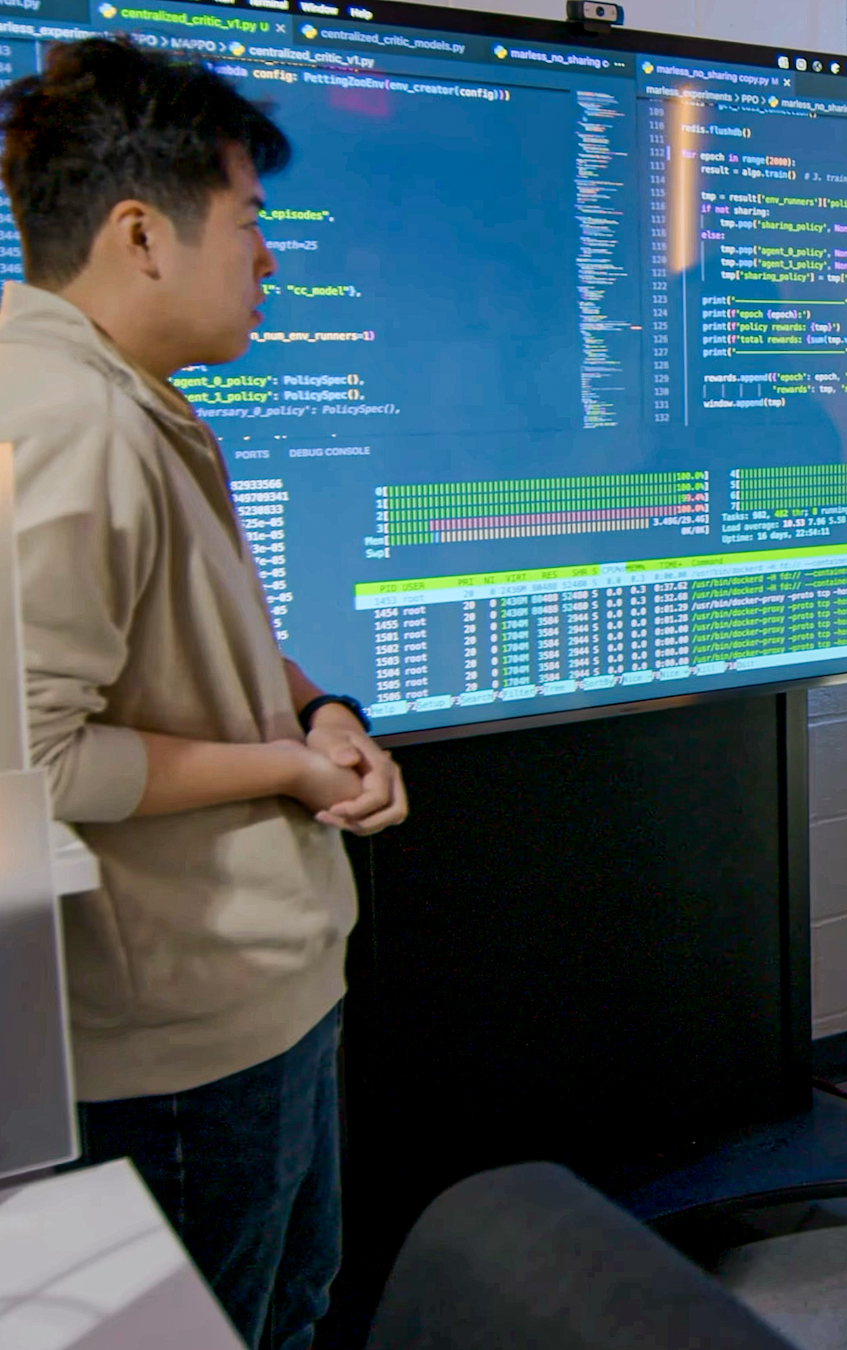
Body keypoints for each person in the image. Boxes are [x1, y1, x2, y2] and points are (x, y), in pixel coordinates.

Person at [0, 37, 408, 1350]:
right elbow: (36, 763)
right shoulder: (71, 417)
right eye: (249, 222)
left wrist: (314, 710)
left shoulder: (126, 400)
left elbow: (199, 642)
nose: (268, 259)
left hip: (241, 1012)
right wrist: (286, 772)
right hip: (174, 1054)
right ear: (142, 233)